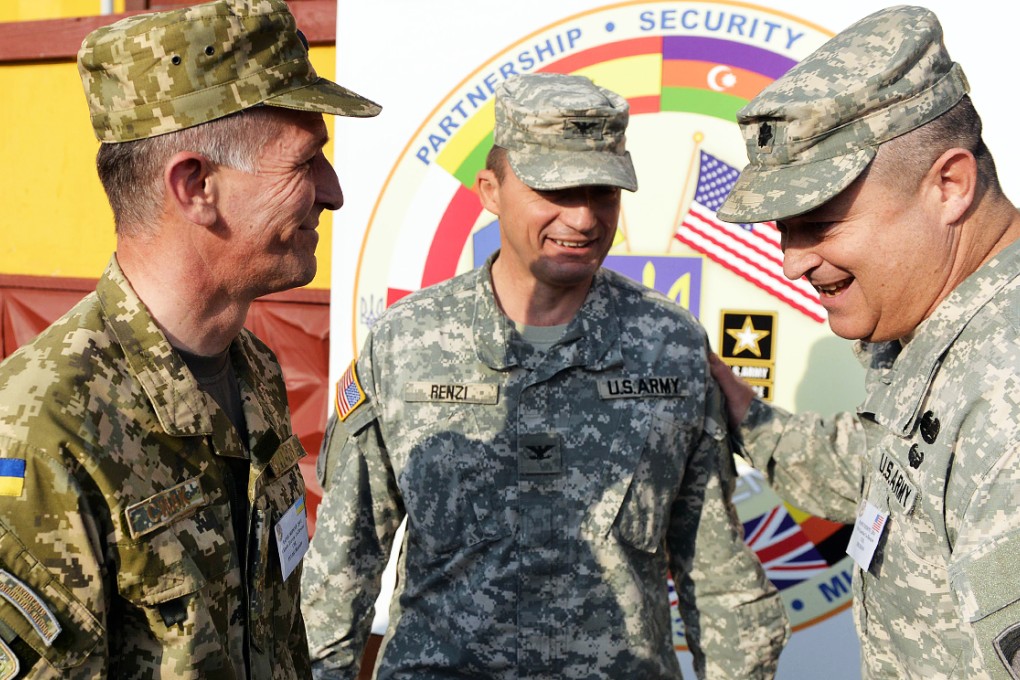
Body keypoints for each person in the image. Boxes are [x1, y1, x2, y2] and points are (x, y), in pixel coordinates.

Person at [301, 72, 787, 680]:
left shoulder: (668, 344)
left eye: (603, 192)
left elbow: (714, 566)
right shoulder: (406, 343)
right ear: (491, 189)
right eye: (554, 190)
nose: (583, 218)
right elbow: (344, 556)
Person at [0, 0, 380, 676]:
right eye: (305, 162)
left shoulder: (252, 367)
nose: (333, 191)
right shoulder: (42, 428)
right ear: (196, 185)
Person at [711, 5, 1020, 679]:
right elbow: (871, 470)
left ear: (950, 185)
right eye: (784, 230)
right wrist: (734, 399)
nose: (792, 262)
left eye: (819, 224)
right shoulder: (938, 339)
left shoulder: (1009, 391)